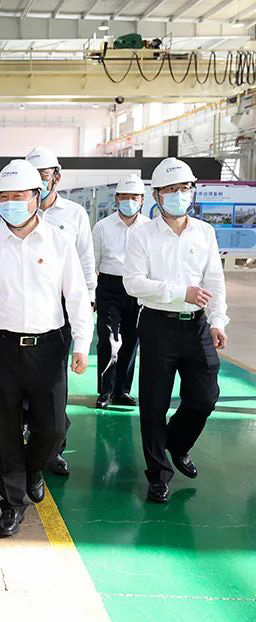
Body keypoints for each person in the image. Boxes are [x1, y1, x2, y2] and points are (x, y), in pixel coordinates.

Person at [0, 159, 92, 538]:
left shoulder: (59, 242)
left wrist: (82, 343)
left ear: (37, 197)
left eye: (19, 196)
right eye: (4, 197)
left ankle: (34, 467)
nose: (11, 203)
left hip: (49, 347)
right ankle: (12, 502)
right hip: (1, 347)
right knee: (4, 430)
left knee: (51, 428)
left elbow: (77, 296)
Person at [123, 157, 228, 504]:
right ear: (156, 195)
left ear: (192, 191)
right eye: (170, 189)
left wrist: (217, 320)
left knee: (205, 396)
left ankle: (177, 444)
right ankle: (158, 474)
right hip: (157, 325)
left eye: (184, 188)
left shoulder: (204, 232)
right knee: (154, 403)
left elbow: (215, 279)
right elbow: (133, 283)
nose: (178, 195)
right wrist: (180, 292)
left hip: (196, 325)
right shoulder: (141, 235)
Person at [25, 145, 96, 477]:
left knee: (55, 381)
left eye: (44, 175)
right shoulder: (18, 211)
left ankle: (54, 449)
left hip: (63, 309)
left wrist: (89, 300)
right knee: (25, 379)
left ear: (57, 177)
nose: (40, 181)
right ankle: (31, 433)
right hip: (27, 309)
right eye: (34, 175)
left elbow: (86, 261)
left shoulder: (74, 214)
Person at [92, 174, 149, 409]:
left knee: (131, 341)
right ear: (116, 199)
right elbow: (92, 263)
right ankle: (105, 391)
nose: (129, 201)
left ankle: (122, 390)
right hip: (109, 288)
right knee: (109, 340)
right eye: (124, 196)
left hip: (138, 288)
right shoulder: (102, 227)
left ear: (142, 200)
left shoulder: (149, 228)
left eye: (134, 197)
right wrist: (90, 294)